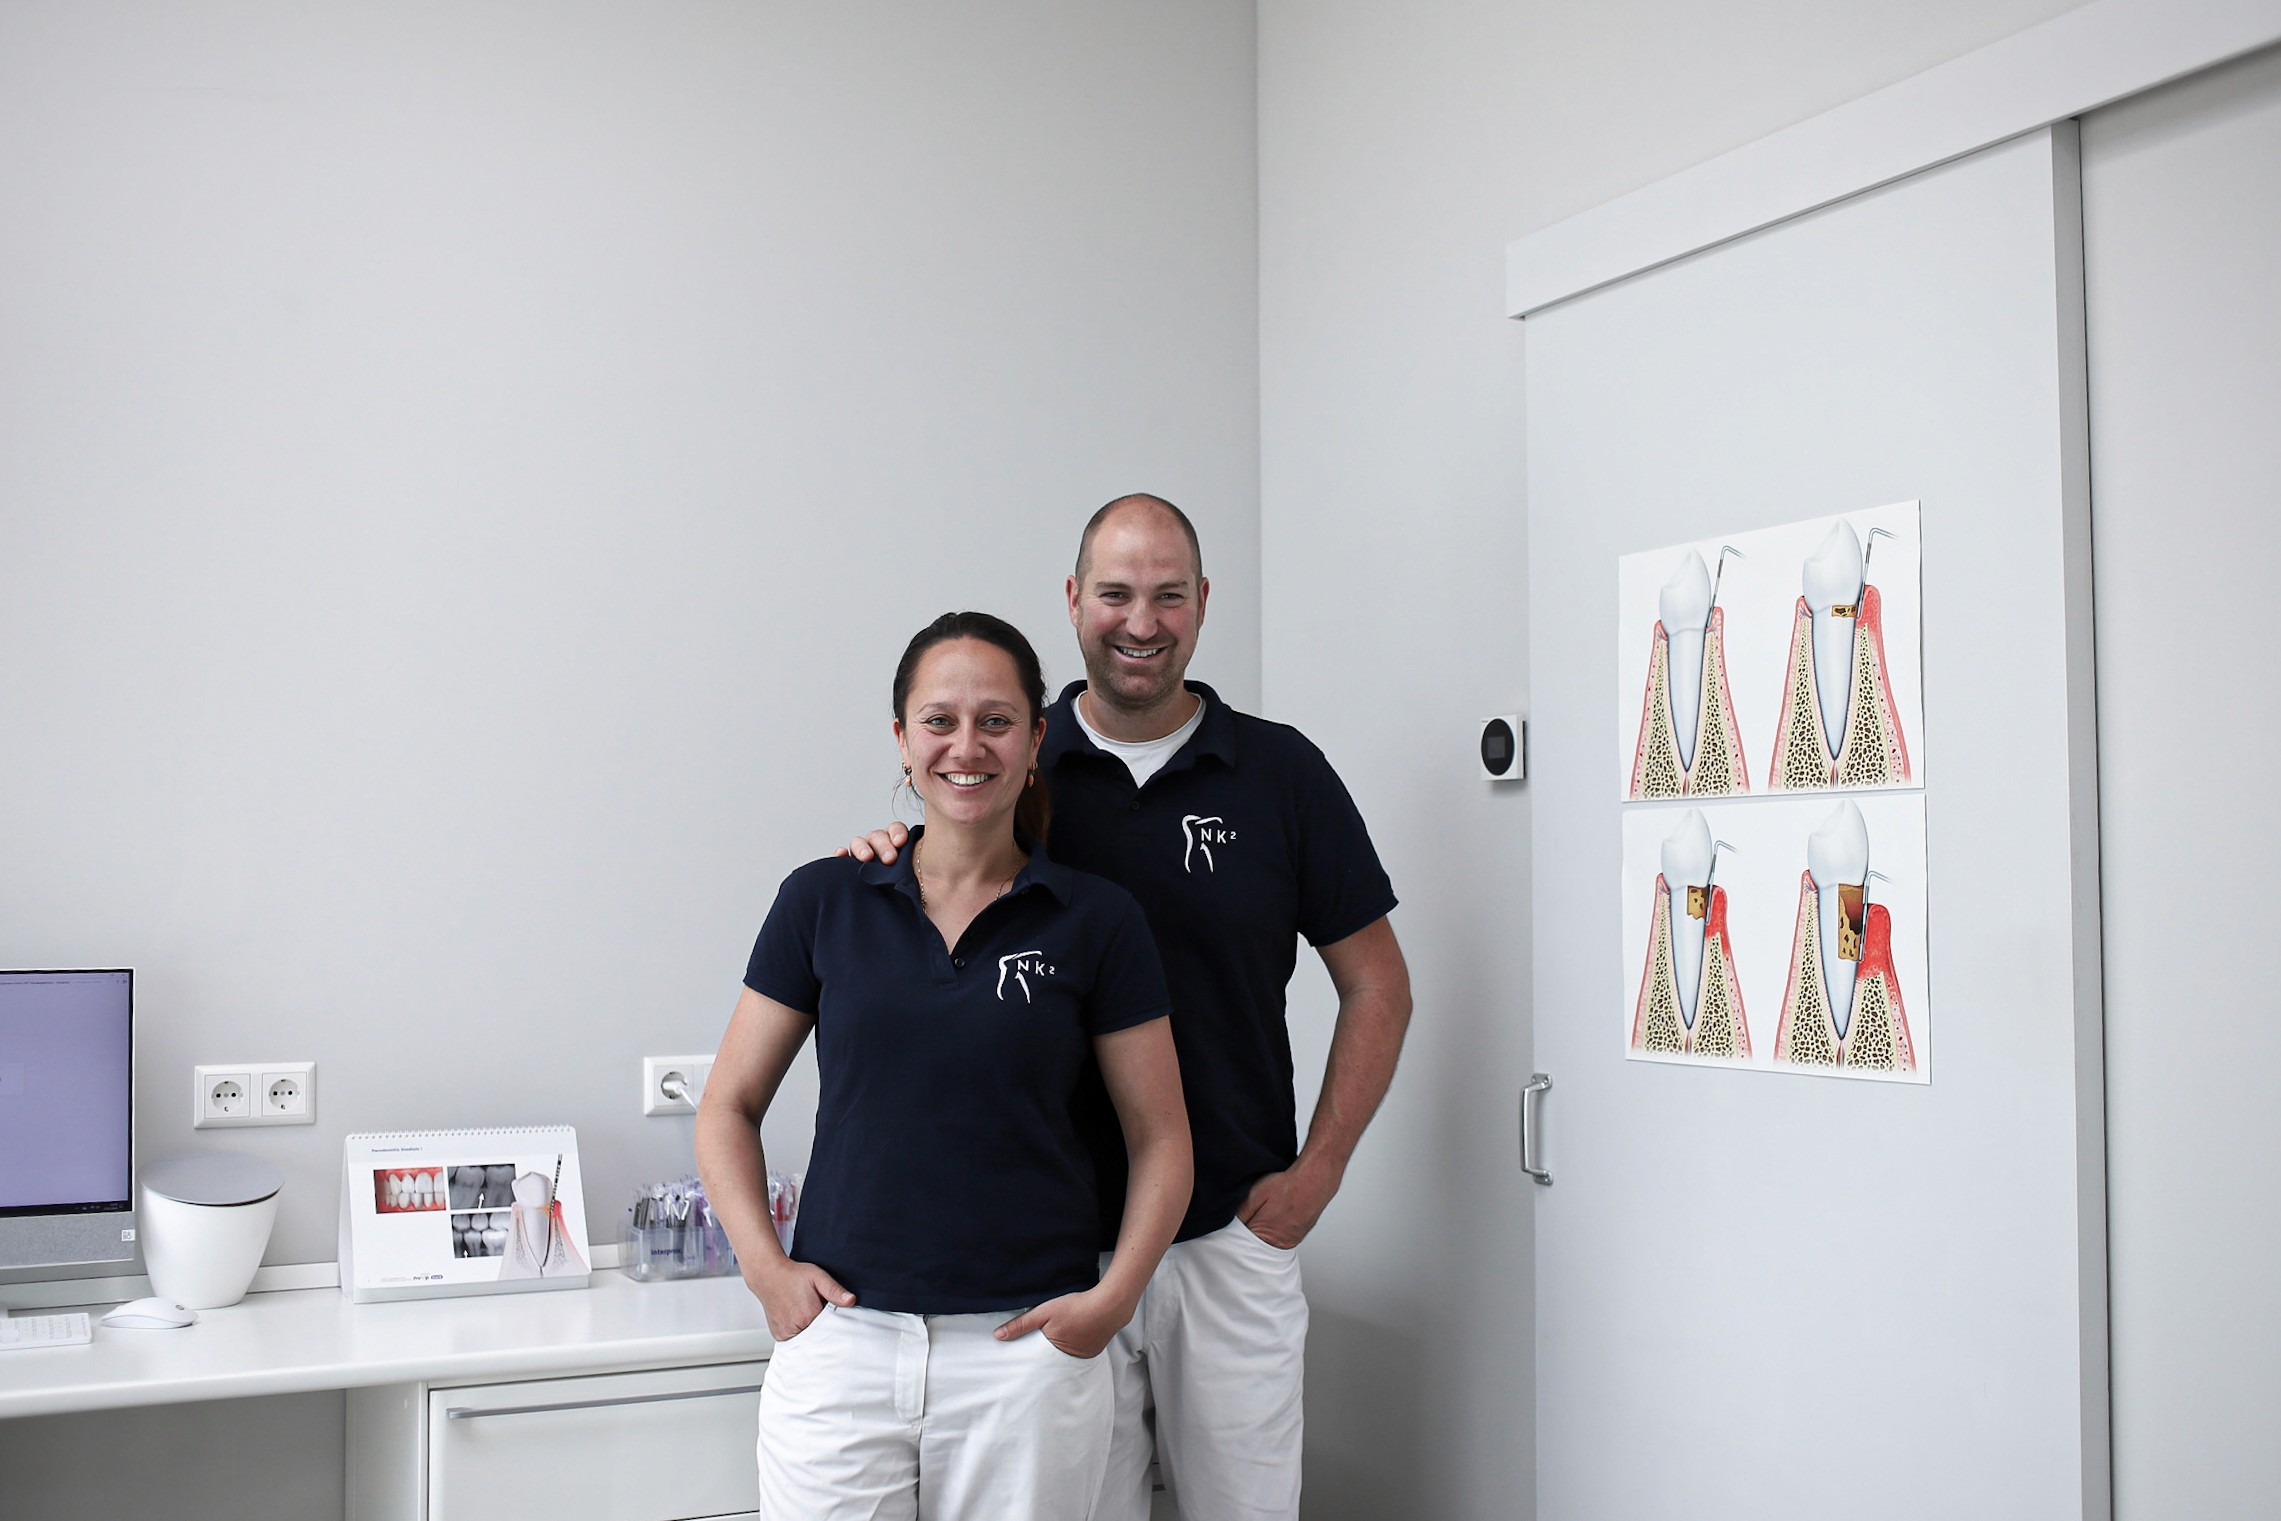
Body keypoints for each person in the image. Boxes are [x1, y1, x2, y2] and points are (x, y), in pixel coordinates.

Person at [850, 496, 1414, 1521]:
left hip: (1227, 1233)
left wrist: (1319, 1172)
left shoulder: (1281, 773)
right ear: (1074, 600)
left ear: (1203, 602)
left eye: (1167, 595)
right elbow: (932, 873)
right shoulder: (1012, 761)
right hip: (1049, 1245)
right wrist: (879, 848)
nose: (1140, 622)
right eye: (1114, 594)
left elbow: (1377, 981)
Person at [697, 610, 1193, 1521]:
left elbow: (1160, 1135)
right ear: (901, 737)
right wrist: (765, 1268)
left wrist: (1115, 1298)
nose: (966, 747)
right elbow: (727, 1104)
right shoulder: (822, 899)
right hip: (842, 1347)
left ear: (1035, 740)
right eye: (939, 720)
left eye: (996, 721)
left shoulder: (1097, 920)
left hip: (1025, 1356)